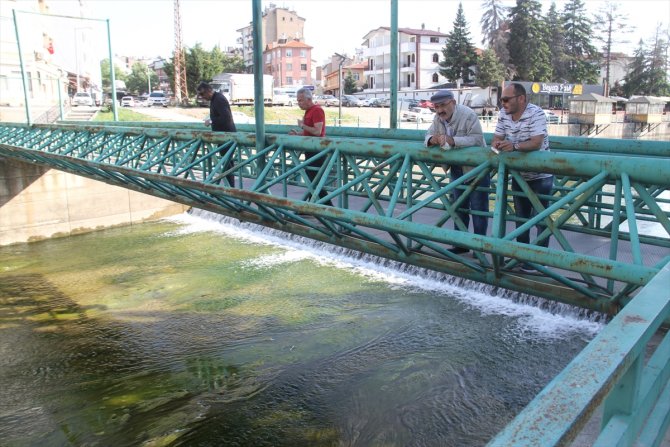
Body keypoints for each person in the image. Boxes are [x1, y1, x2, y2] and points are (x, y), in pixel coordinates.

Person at [491, 82, 554, 272]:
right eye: (501, 100)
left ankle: (539, 260)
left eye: (506, 99)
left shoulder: (536, 113)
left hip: (541, 174)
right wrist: (499, 145)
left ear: (521, 98)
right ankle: (523, 257)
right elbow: (496, 138)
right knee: (521, 218)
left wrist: (514, 146)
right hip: (519, 175)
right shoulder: (504, 114)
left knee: (541, 219)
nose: (503, 103)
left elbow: (536, 142)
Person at [425, 90, 489, 255]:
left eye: (443, 105)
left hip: (477, 169)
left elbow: (476, 139)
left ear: (453, 103)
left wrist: (453, 141)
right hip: (455, 167)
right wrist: (433, 140)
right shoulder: (438, 118)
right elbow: (427, 135)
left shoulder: (468, 115)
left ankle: (479, 247)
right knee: (458, 207)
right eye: (436, 107)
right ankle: (460, 243)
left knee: (478, 209)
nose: (440, 110)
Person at [289, 87, 332, 205]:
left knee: (315, 180)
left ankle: (328, 207)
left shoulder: (317, 110)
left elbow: (318, 131)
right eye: (298, 101)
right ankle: (312, 206)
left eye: (301, 100)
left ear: (309, 99)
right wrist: (297, 134)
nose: (299, 103)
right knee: (311, 180)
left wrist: (302, 126)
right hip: (310, 150)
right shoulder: (308, 112)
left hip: (317, 151)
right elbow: (309, 133)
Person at [197, 81, 236, 186]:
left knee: (227, 162)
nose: (202, 97)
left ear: (209, 91)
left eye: (202, 94)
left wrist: (211, 121)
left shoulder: (218, 99)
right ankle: (229, 186)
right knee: (226, 162)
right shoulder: (216, 99)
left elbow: (226, 118)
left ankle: (231, 187)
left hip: (226, 136)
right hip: (223, 135)